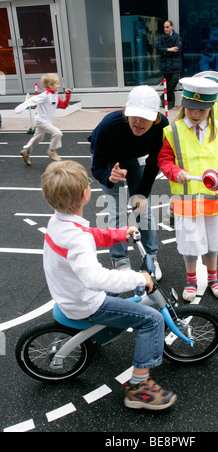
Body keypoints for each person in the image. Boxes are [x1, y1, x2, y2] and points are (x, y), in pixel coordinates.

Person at [41, 160, 177, 411]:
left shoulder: (59, 222)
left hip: (68, 293)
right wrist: (140, 277)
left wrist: (118, 234)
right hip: (86, 302)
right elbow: (95, 278)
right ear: (85, 194)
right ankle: (139, 387)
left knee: (121, 294)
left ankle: (97, 338)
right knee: (151, 319)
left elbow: (89, 234)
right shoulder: (78, 239)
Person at [158, 73, 218, 303]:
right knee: (190, 243)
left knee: (212, 241)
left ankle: (213, 278)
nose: (194, 113)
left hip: (213, 198)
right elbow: (164, 160)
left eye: (201, 110)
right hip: (186, 200)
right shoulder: (173, 130)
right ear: (184, 104)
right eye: (190, 107)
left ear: (211, 107)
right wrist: (174, 172)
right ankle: (191, 280)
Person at [90, 85, 169, 280]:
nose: (139, 122)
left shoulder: (162, 125)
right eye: (134, 115)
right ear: (126, 112)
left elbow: (154, 163)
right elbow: (97, 165)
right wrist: (109, 176)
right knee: (116, 211)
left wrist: (141, 194)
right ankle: (120, 261)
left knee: (143, 208)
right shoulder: (108, 124)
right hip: (109, 162)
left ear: (156, 117)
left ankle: (151, 258)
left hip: (134, 159)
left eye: (146, 117)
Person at [15, 73, 71, 166]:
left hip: (47, 122)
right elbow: (32, 100)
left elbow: (63, 106)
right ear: (50, 85)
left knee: (38, 138)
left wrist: (68, 95)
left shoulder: (55, 95)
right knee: (57, 133)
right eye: (57, 84)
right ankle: (51, 150)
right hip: (41, 121)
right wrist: (20, 108)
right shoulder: (45, 95)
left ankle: (26, 151)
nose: (59, 85)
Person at [156, 20, 182, 109]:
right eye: (164, 27)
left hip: (175, 66)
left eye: (167, 27)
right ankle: (169, 103)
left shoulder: (177, 37)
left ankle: (163, 96)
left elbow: (177, 52)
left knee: (173, 82)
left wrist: (165, 51)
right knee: (167, 84)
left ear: (171, 27)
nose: (165, 29)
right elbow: (158, 49)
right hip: (165, 66)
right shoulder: (161, 37)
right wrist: (169, 50)